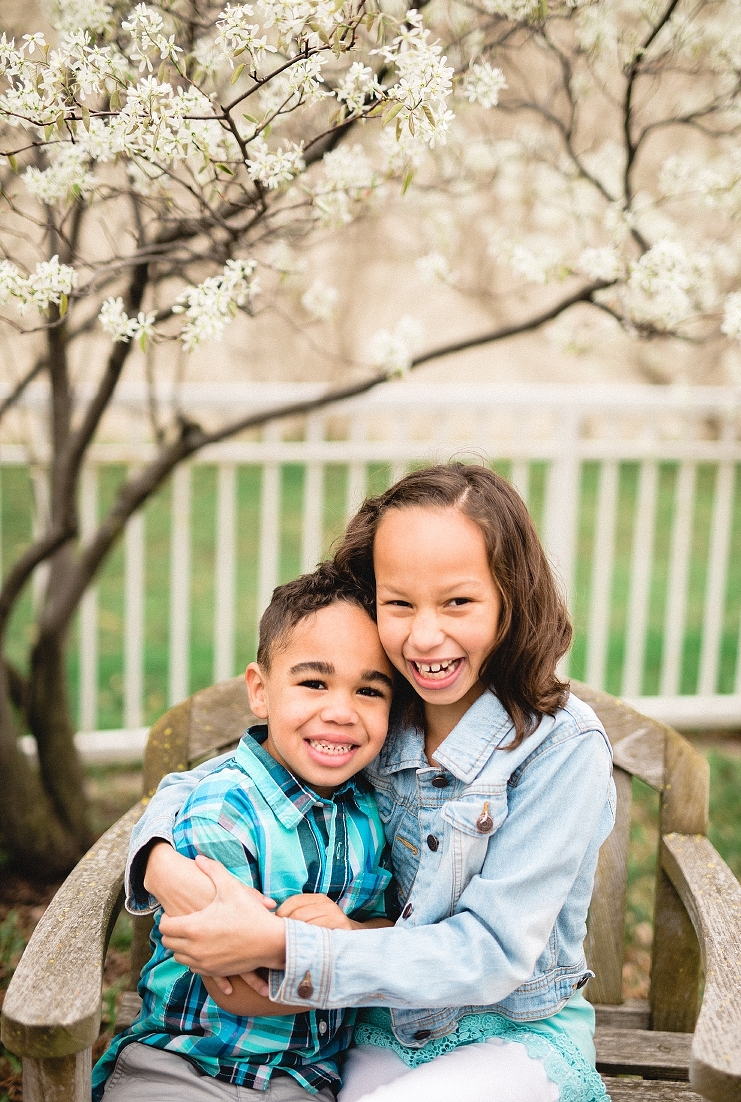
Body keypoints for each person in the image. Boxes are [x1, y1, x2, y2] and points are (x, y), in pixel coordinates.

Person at [126, 464, 616, 1102]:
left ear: (510, 601)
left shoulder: (562, 748)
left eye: (458, 601)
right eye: (399, 603)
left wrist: (280, 941)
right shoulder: (379, 713)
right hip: (382, 1024)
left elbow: (490, 953)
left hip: (513, 1031)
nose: (424, 634)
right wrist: (165, 869)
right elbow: (201, 784)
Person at [93, 565, 397, 1101]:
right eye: (314, 682)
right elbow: (237, 988)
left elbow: (386, 919)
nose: (341, 711)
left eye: (369, 691)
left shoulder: (372, 811)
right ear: (260, 691)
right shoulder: (222, 813)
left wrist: (350, 937)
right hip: (185, 1064)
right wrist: (347, 954)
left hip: (306, 1077)